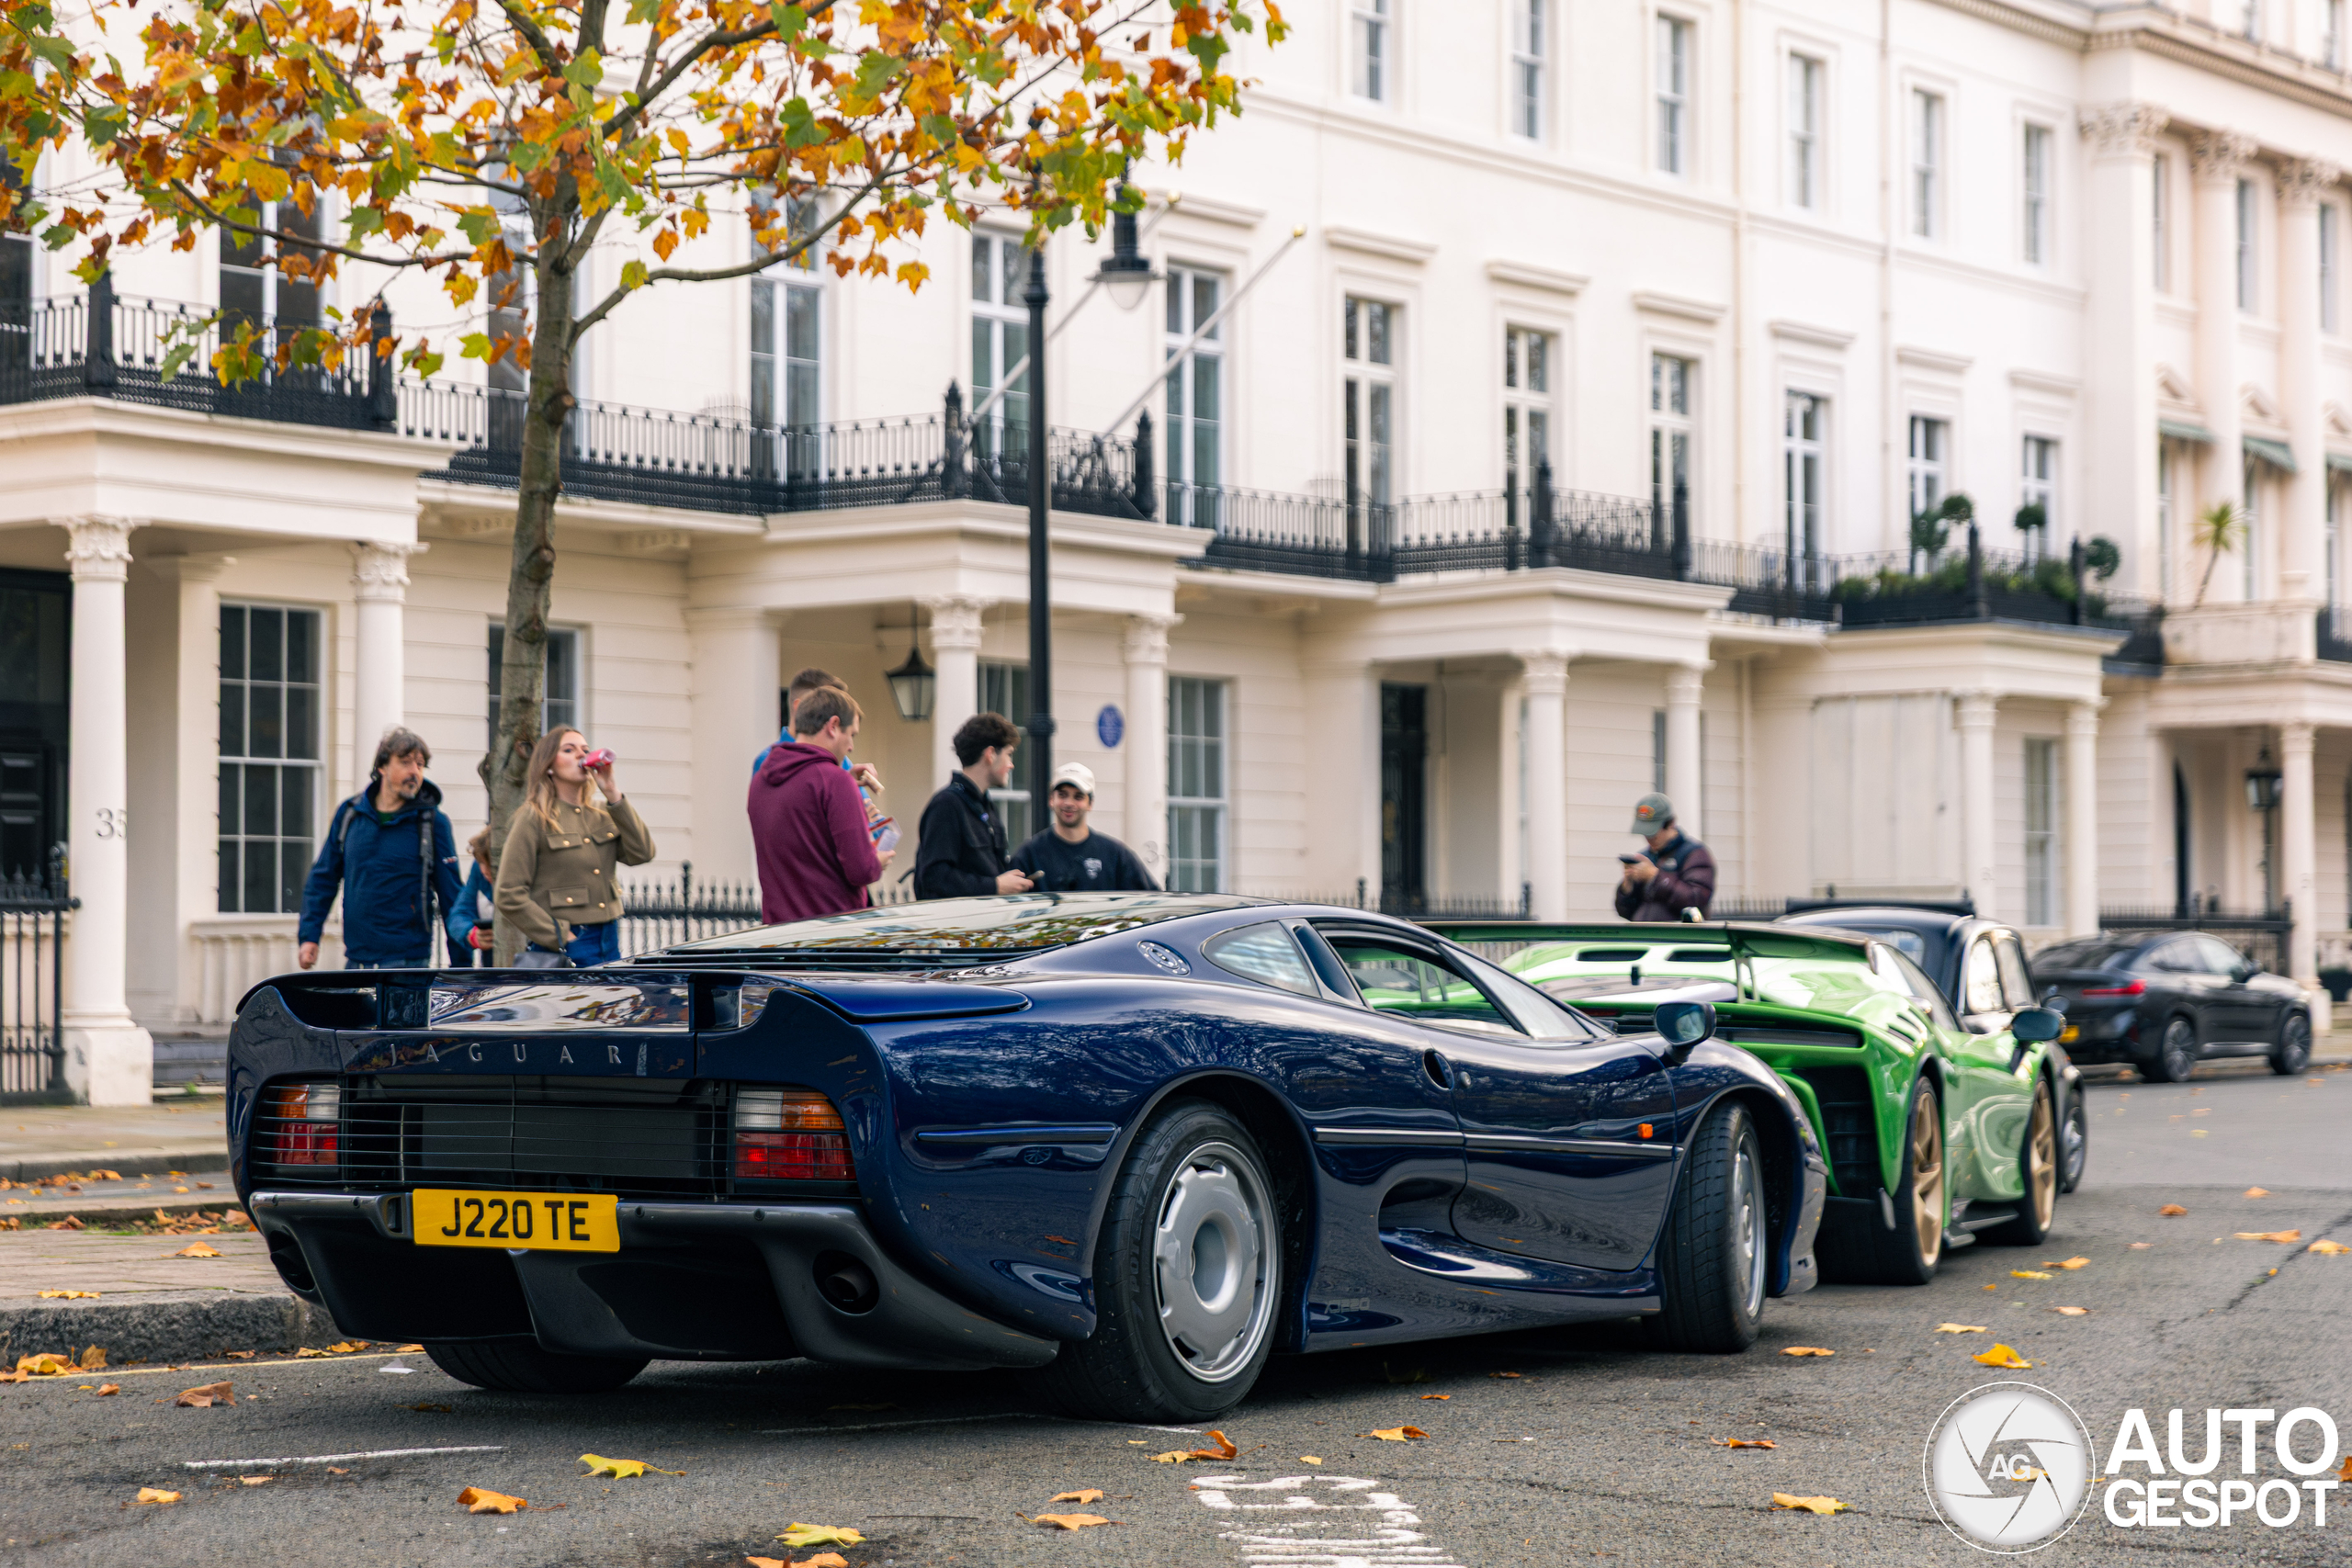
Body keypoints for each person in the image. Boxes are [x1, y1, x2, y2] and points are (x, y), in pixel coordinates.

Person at [297, 726, 464, 969]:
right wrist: (309, 936)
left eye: (420, 765)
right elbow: (323, 878)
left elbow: (452, 897)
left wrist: (462, 970)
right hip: (357, 961)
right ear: (382, 767)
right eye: (405, 762)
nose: (414, 772)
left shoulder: (432, 823)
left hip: (409, 965)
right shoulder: (350, 814)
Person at [494, 728, 656, 965]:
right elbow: (509, 893)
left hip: (609, 937)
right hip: (569, 943)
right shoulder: (534, 818)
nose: (581, 755)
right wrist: (560, 935)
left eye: (585, 750)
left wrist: (612, 792)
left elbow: (642, 853)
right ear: (549, 766)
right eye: (569, 750)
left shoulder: (603, 812)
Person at [750, 686, 894, 922]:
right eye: (852, 734)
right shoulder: (835, 782)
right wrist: (879, 861)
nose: (851, 746)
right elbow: (861, 870)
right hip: (832, 932)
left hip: (779, 932)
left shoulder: (761, 779)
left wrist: (845, 782)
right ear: (833, 726)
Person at [914, 713, 1035, 899]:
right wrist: (994, 886)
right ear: (990, 754)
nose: (1011, 765)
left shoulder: (986, 806)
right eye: (1008, 754)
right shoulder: (946, 805)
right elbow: (934, 877)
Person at [1012, 762, 1159, 892]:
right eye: (1062, 795)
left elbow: (1150, 899)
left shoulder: (1115, 855)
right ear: (1051, 799)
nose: (1069, 803)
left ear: (1090, 803)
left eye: (1078, 797)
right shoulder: (1030, 855)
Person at [1614, 791, 1716, 922]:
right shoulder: (1646, 857)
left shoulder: (1695, 854)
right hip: (1645, 933)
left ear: (1670, 824)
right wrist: (1628, 889)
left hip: (1677, 934)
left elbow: (1696, 899)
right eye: (1646, 833)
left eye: (1653, 833)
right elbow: (1626, 912)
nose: (1649, 839)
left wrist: (1655, 877)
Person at [445, 828, 497, 965]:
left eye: (491, 866)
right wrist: (471, 934)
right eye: (481, 863)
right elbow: (459, 914)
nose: (484, 871)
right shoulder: (479, 869)